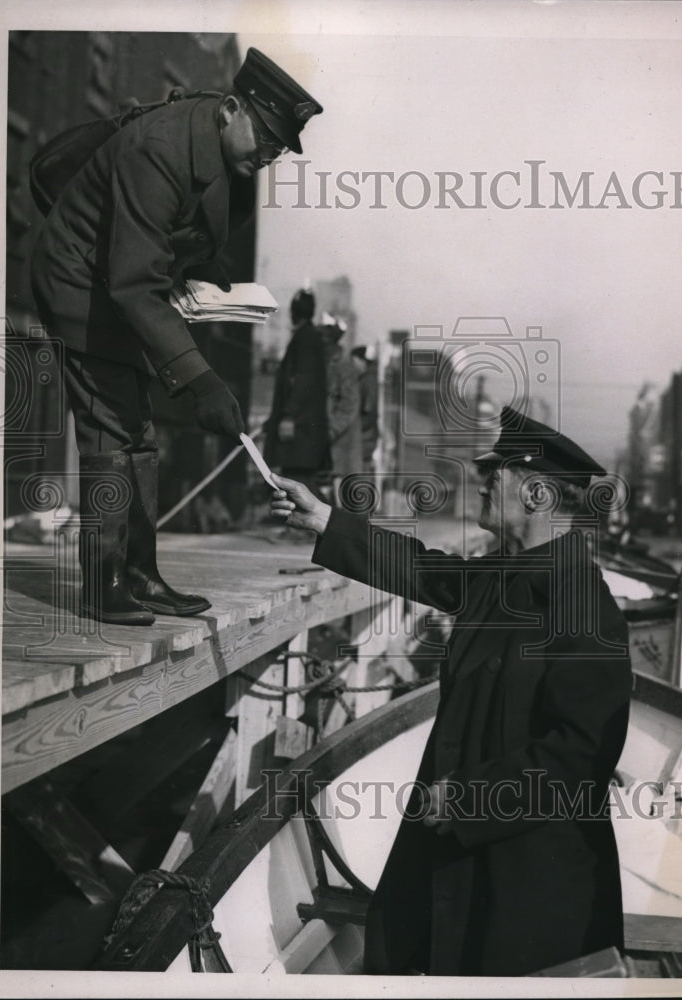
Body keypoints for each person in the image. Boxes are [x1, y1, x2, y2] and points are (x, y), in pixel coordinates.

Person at [270, 404, 633, 976]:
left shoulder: (585, 606)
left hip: (523, 872)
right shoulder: (500, 578)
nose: (483, 483)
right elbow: (418, 566)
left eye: (497, 474)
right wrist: (324, 521)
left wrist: (469, 798)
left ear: (537, 497)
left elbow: (581, 758)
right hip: (454, 843)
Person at [31, 48, 322, 625]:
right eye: (264, 137)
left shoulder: (227, 152)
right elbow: (135, 283)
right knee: (110, 427)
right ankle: (105, 582)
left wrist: (206, 283)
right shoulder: (161, 146)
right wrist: (202, 381)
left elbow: (179, 238)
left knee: (138, 433)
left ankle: (139, 574)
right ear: (231, 108)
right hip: (80, 282)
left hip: (119, 278)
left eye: (278, 149)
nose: (269, 155)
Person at [263, 288, 331, 498]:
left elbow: (303, 378)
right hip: (306, 427)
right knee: (299, 478)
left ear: (294, 312)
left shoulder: (305, 338)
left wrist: (288, 415)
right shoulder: (310, 337)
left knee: (297, 480)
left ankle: (301, 530)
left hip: (301, 427)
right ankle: (302, 529)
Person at [319, 315, 362, 506]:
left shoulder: (344, 365)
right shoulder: (322, 364)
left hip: (341, 443)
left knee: (339, 495)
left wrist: (331, 430)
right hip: (327, 442)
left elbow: (349, 404)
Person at [350, 345, 380, 473]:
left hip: (363, 438)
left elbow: (368, 411)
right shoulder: (368, 379)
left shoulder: (367, 381)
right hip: (366, 437)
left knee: (358, 475)